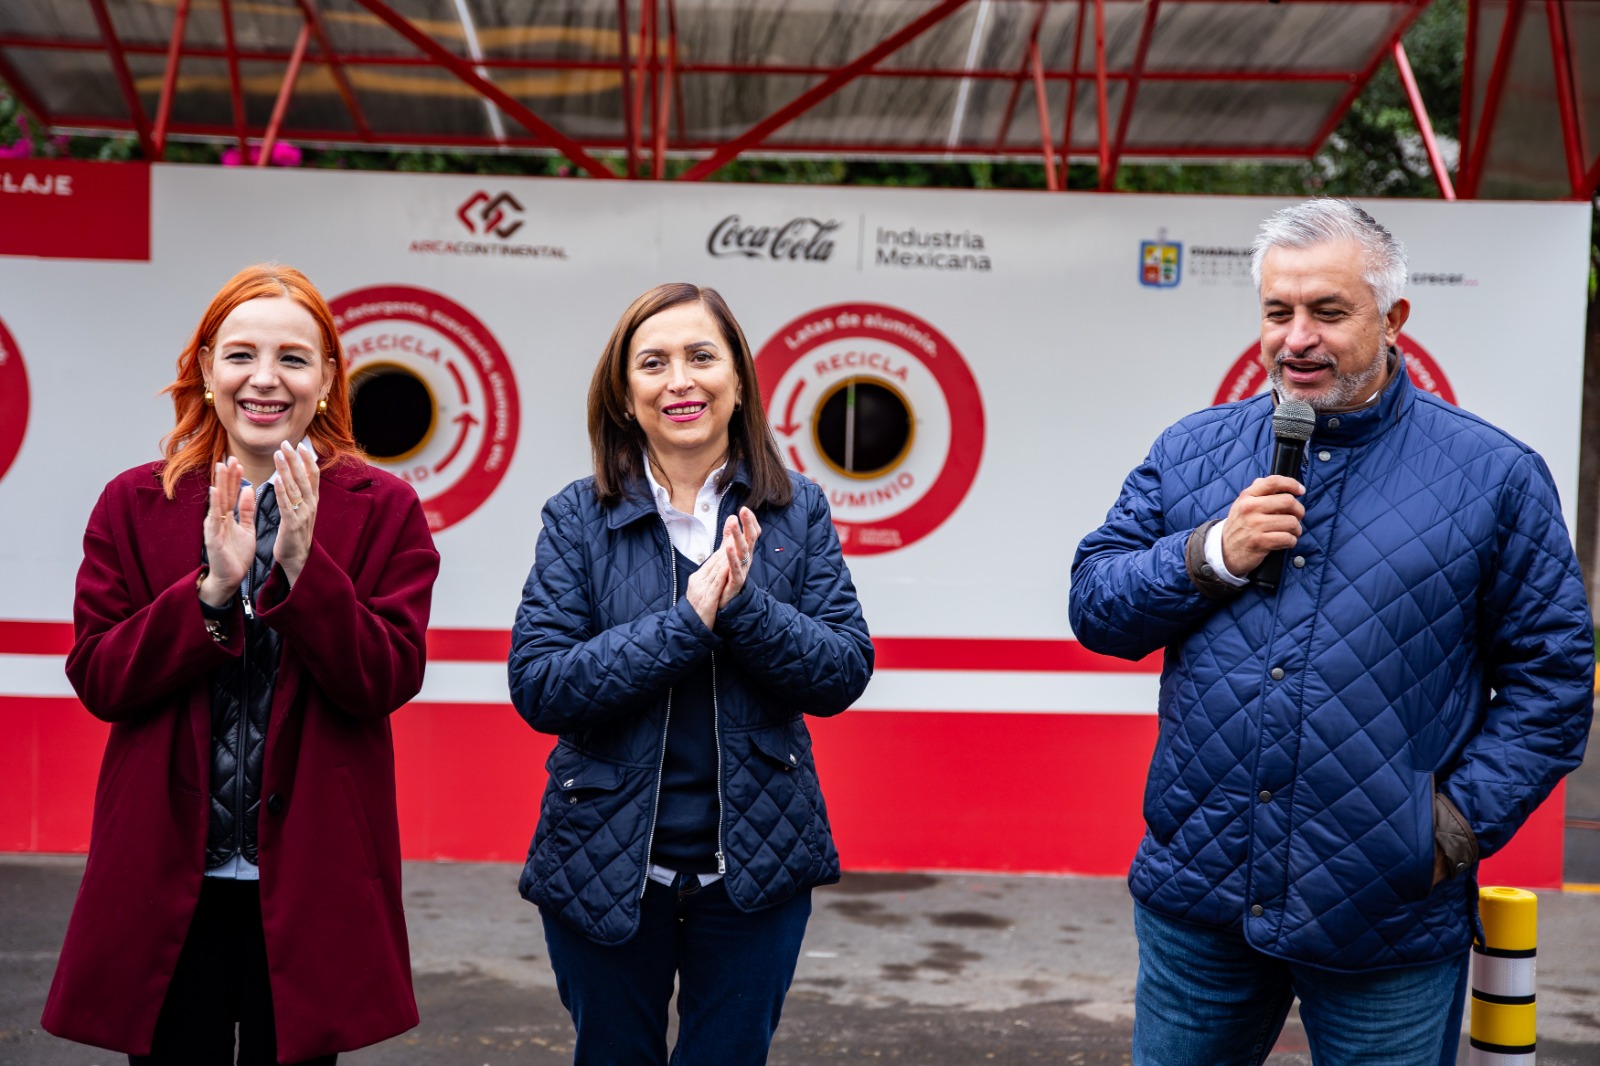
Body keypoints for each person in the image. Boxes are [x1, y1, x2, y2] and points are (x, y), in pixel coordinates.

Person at [1069, 199, 1593, 1065]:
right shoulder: (1193, 450)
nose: (1297, 338)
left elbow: (1555, 681)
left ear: (1393, 320)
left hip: (1384, 915)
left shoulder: (1495, 476)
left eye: (1328, 311)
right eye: (1279, 312)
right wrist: (1210, 553)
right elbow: (1096, 606)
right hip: (1201, 901)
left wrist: (1446, 833)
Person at [42, 264, 440, 1064]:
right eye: (240, 355)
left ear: (328, 379)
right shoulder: (135, 502)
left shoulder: (382, 508)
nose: (266, 379)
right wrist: (212, 590)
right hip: (165, 880)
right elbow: (100, 677)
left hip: (310, 886)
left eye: (294, 358)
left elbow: (385, 680)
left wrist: (303, 568)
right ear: (204, 369)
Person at [508, 282, 872, 1065]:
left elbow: (844, 669)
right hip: (603, 865)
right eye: (654, 363)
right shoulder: (577, 516)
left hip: (756, 872)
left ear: (737, 382)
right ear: (625, 393)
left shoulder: (796, 510)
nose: (680, 380)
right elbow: (541, 683)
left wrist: (741, 609)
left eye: (702, 357)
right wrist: (687, 622)